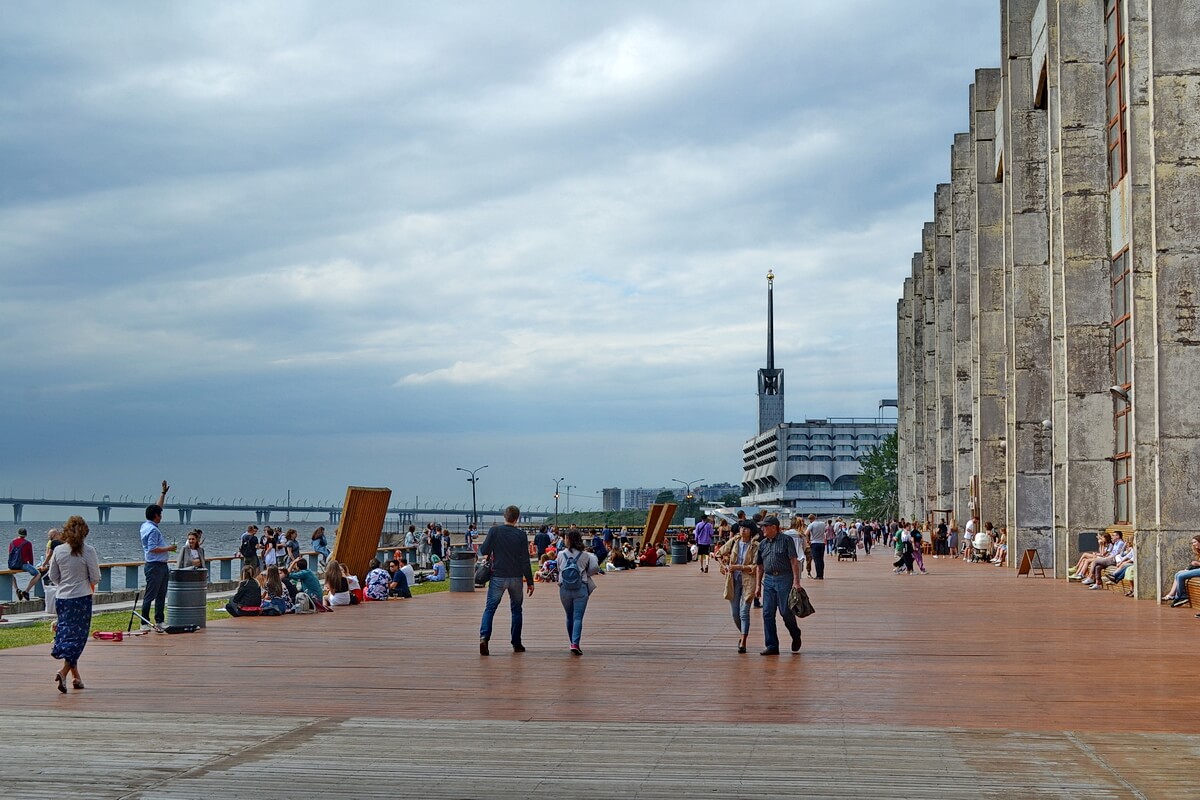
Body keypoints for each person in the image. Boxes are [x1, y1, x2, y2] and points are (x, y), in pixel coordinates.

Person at [48, 516, 100, 692]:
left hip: (63, 598)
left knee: (68, 635)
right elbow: (95, 577)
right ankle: (63, 672)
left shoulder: (59, 551)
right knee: (78, 638)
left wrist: (65, 583)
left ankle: (76, 678)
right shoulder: (89, 551)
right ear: (85, 532)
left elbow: (53, 577)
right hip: (81, 598)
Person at [477, 504, 535, 655]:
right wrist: (530, 581)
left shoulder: (495, 531)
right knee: (516, 610)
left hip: (498, 576)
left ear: (504, 516)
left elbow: (483, 550)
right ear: (517, 518)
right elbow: (525, 560)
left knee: (490, 608)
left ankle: (484, 637)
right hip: (516, 577)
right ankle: (517, 643)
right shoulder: (521, 535)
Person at [754, 516, 803, 656]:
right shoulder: (762, 544)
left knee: (785, 612)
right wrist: (758, 585)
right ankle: (772, 645)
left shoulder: (786, 540)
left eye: (765, 526)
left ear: (774, 527)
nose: (762, 528)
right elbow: (759, 566)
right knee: (767, 613)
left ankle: (795, 633)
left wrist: (796, 582)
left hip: (784, 578)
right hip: (768, 580)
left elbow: (794, 561)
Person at [556, 527, 599, 655]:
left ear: (567, 539)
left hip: (565, 588)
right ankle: (575, 643)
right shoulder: (585, 555)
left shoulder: (560, 554)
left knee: (569, 616)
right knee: (578, 617)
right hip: (581, 587)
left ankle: (571, 641)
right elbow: (593, 569)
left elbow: (559, 569)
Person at [139, 481, 176, 631]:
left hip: (158, 565)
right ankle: (144, 622)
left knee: (160, 594)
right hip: (155, 566)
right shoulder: (153, 530)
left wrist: (163, 494)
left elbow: (157, 507)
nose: (161, 516)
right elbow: (152, 548)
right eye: (160, 515)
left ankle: (159, 620)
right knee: (152, 595)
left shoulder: (145, 525)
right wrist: (170, 548)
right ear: (156, 516)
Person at [720, 520, 759, 653]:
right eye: (741, 528)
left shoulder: (755, 546)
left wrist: (739, 567)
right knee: (735, 613)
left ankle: (743, 641)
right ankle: (742, 633)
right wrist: (725, 565)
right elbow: (719, 553)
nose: (743, 531)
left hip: (749, 581)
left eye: (746, 529)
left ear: (751, 531)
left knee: (744, 612)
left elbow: (755, 567)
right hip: (733, 580)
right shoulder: (734, 542)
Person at [1161, 534, 1200, 607]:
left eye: (1195, 542)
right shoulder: (1198, 551)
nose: (1193, 544)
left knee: (1180, 576)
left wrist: (1197, 563)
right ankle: (1175, 595)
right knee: (1178, 574)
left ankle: (1181, 596)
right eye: (1192, 543)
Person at [7, 527, 41, 600]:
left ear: (18, 534)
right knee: (38, 574)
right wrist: (31, 565)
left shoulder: (12, 542)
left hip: (12, 565)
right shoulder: (27, 543)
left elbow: (10, 553)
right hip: (23, 564)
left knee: (10, 574)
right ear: (25, 535)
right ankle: (26, 591)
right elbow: (30, 556)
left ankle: (16, 589)